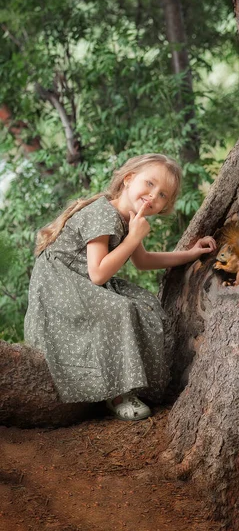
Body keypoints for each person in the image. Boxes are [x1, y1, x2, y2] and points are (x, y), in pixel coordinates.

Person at [24, 153, 216, 421]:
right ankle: (117, 394)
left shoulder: (128, 219)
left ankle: (140, 382)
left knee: (145, 305)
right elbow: (98, 273)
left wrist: (190, 254)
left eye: (162, 195)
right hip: (60, 283)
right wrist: (135, 236)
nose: (153, 195)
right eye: (149, 184)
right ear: (128, 179)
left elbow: (143, 260)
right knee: (119, 309)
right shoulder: (104, 213)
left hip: (82, 280)